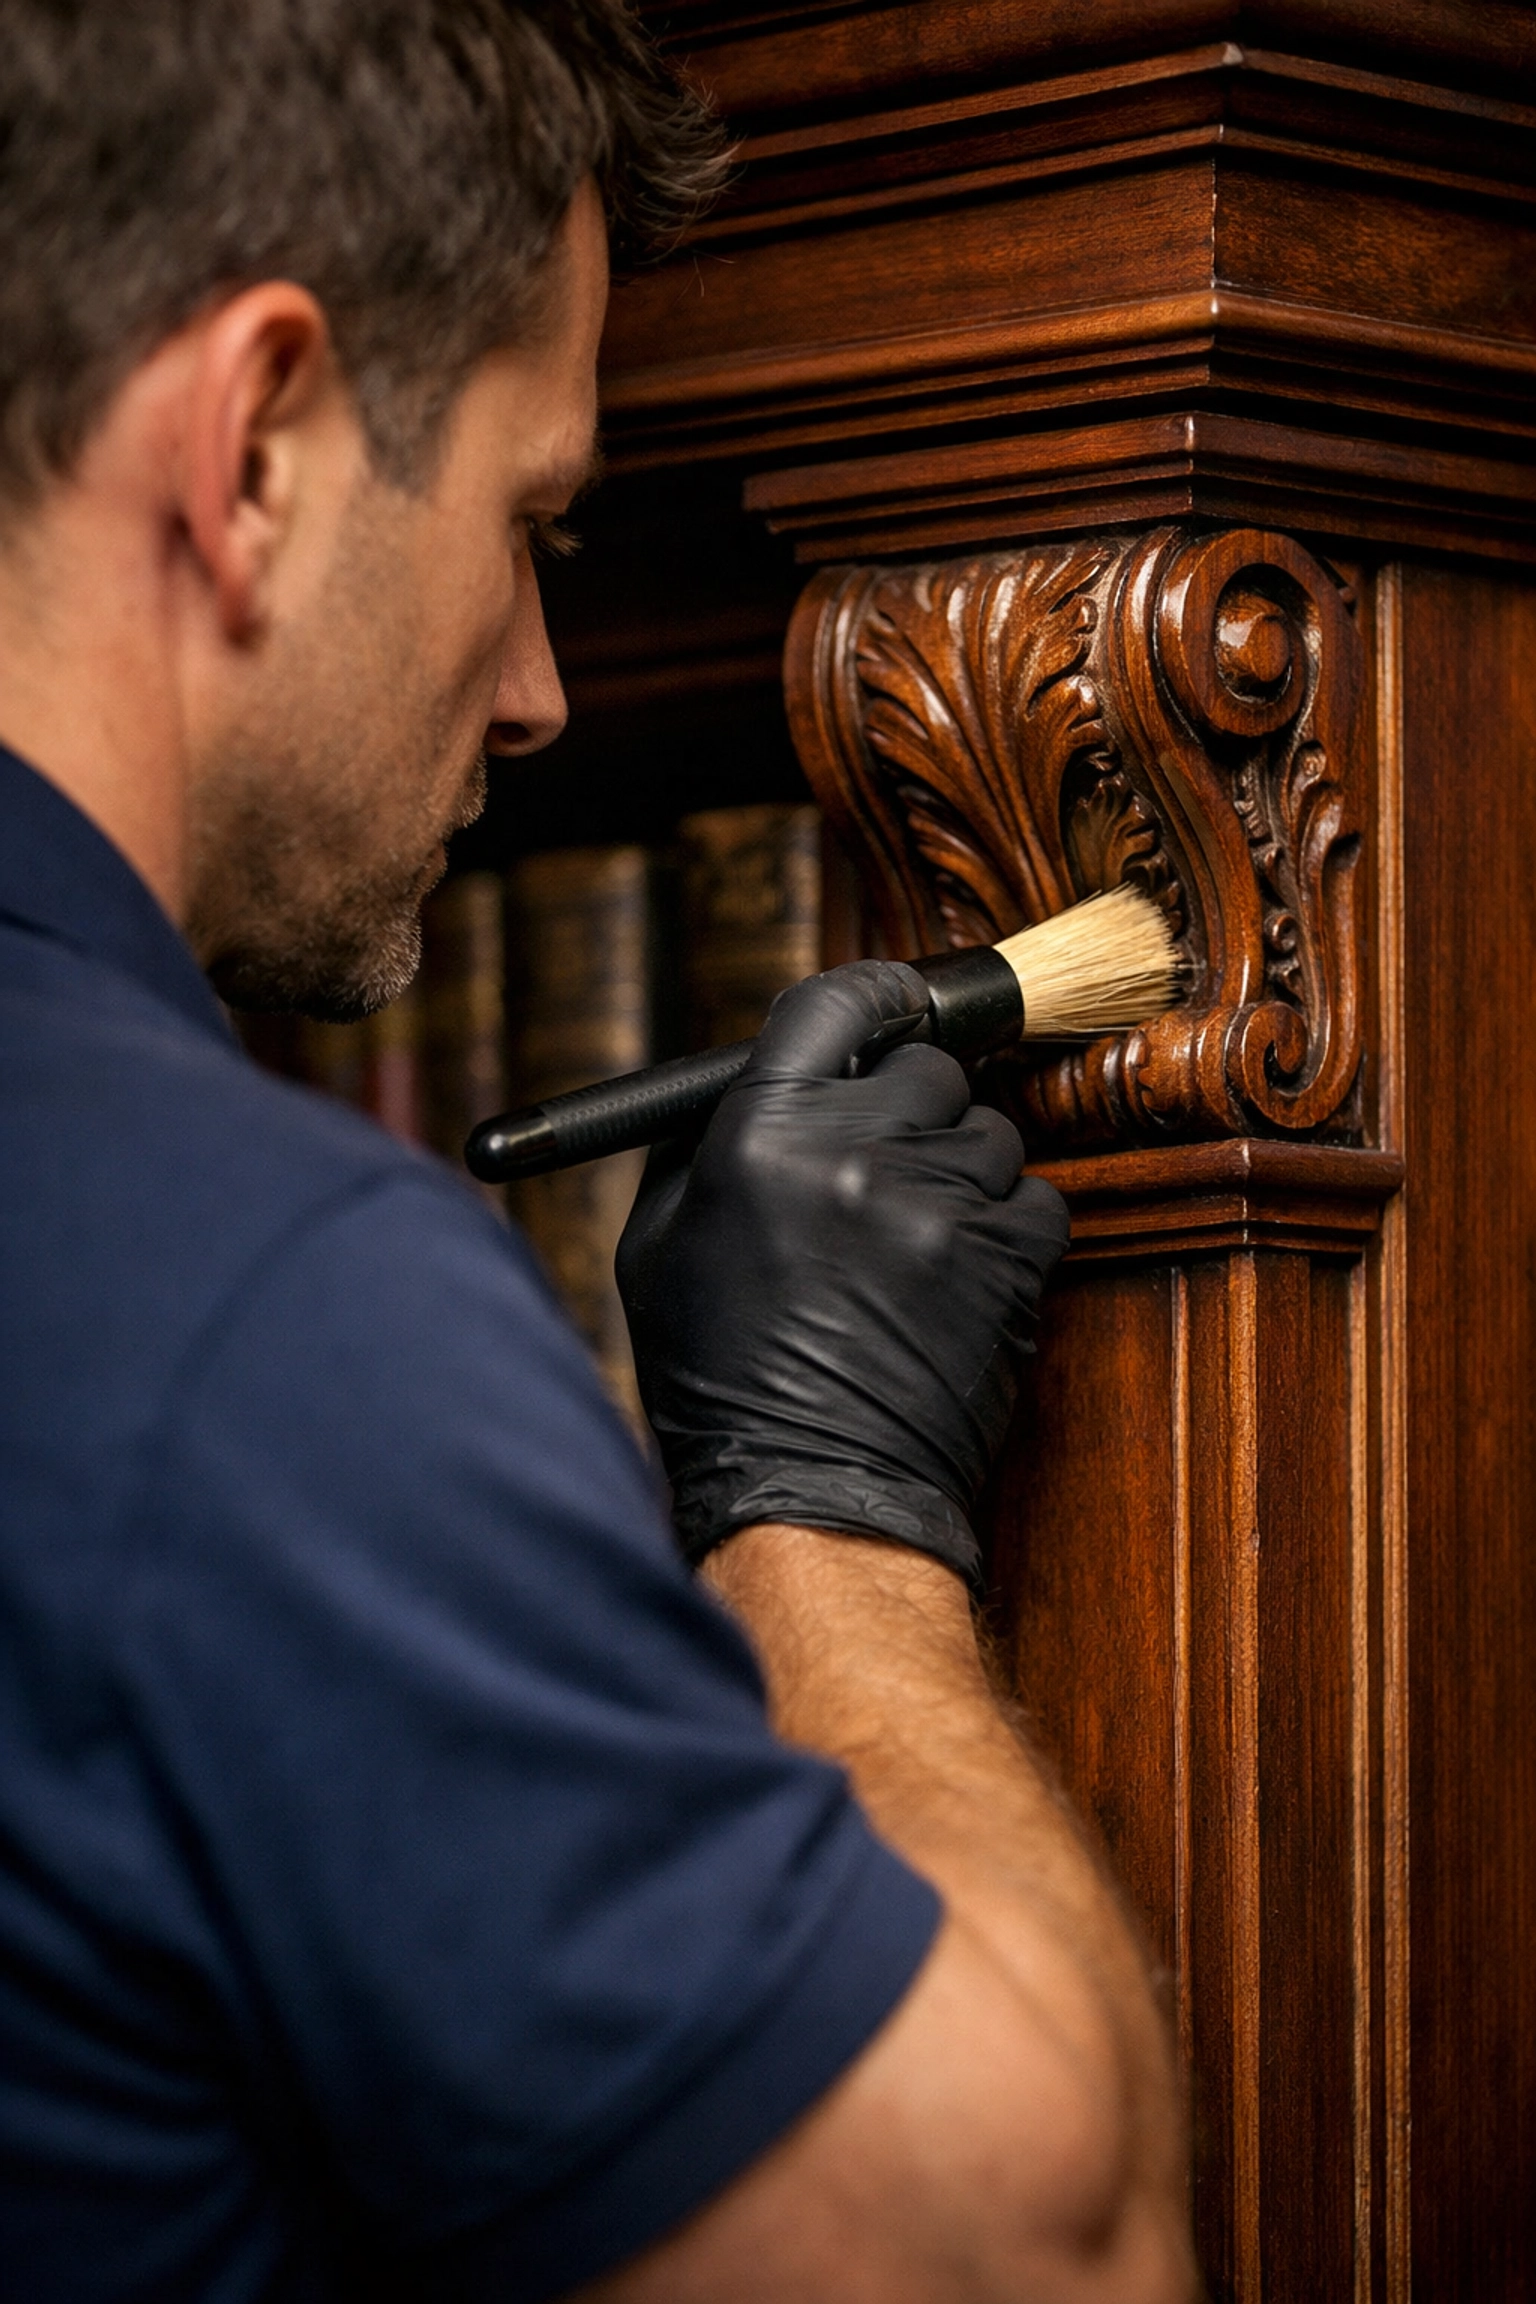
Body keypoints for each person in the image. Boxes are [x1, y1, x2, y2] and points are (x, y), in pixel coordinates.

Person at [0, 4, 1192, 2299]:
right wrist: (819, 1496)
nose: (541, 679)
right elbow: (1043, 2258)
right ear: (249, 442)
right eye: (537, 523)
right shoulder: (255, 1317)